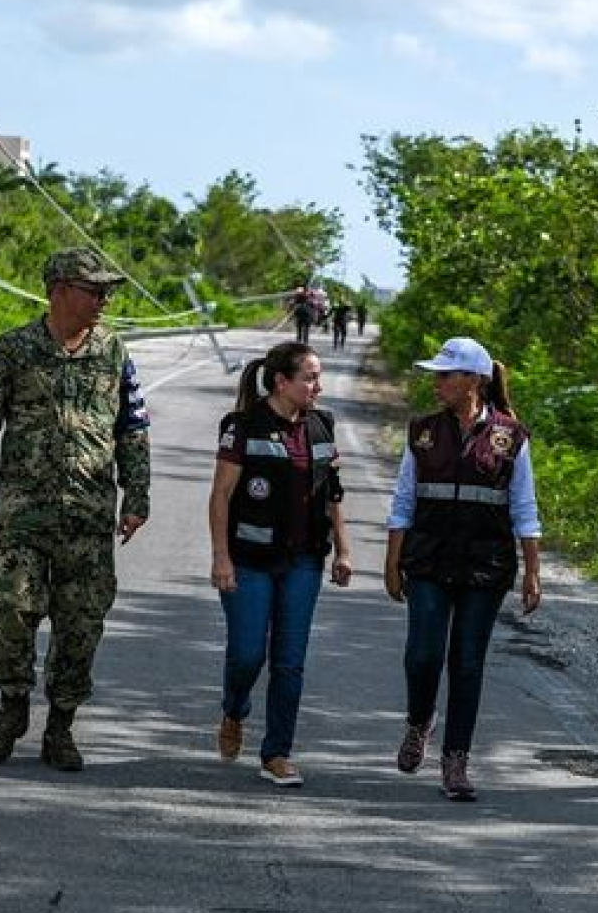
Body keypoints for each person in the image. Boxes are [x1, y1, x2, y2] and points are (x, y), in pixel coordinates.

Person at [0, 246, 151, 772]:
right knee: (13, 614)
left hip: (88, 517)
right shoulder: (13, 350)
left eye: (107, 291)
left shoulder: (114, 353)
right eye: (95, 290)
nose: (104, 300)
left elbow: (132, 430)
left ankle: (61, 726)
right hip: (23, 514)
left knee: (81, 622)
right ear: (61, 290)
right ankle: (13, 708)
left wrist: (137, 497)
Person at [383, 336, 542, 801]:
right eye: (436, 374)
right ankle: (419, 721)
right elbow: (403, 501)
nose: (438, 382)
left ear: (474, 380)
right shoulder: (422, 432)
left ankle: (456, 762)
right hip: (428, 561)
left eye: (446, 374)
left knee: (467, 664)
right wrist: (392, 562)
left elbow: (525, 508)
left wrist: (533, 570)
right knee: (423, 657)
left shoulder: (510, 437)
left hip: (484, 567)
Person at [208, 341, 353, 787]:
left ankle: (277, 753)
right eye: (309, 377)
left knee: (289, 662)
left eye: (318, 376)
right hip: (249, 561)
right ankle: (235, 709)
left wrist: (344, 551)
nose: (318, 385)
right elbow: (222, 496)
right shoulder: (243, 425)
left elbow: (332, 494)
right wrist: (221, 558)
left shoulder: (323, 426)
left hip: (303, 562)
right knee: (249, 654)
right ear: (281, 381)